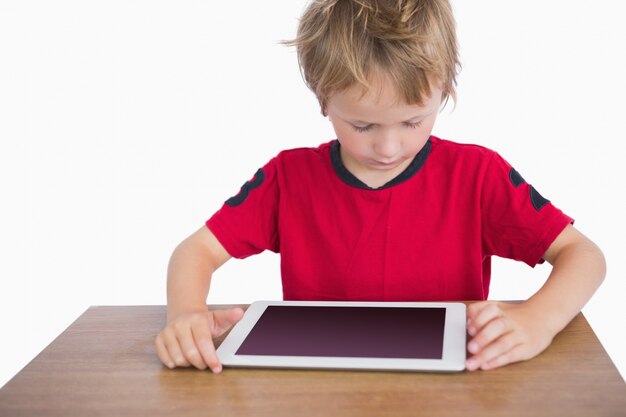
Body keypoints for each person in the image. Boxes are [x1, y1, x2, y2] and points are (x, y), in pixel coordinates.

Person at [155, 0, 605, 373]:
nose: (389, 147)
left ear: (444, 90)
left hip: (455, 390)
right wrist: (187, 314)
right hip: (318, 390)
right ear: (322, 98)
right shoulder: (287, 179)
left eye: (413, 121)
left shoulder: (478, 175)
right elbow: (194, 252)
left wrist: (539, 320)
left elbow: (584, 255)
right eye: (363, 124)